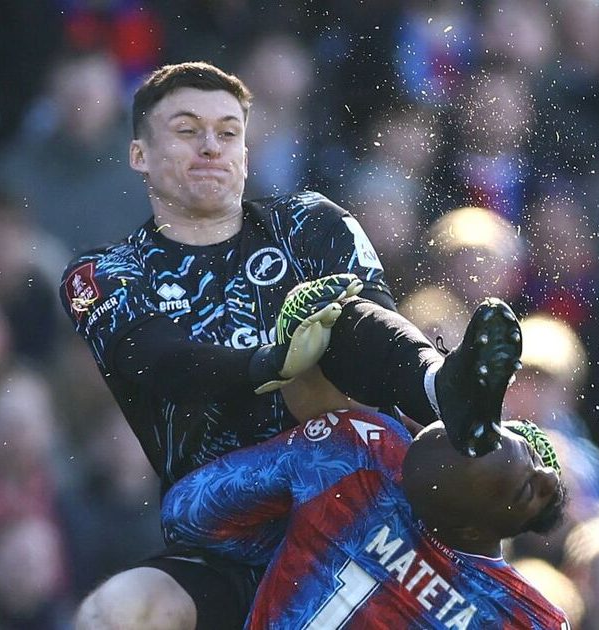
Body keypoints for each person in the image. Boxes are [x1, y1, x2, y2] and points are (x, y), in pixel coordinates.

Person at [62, 61, 525, 628]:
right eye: (187, 130)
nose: (211, 146)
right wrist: (270, 363)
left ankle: (443, 384)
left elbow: (367, 330)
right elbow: (158, 362)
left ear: (247, 152)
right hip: (225, 536)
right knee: (112, 613)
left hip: (360, 521)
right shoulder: (105, 270)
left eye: (228, 132)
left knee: (337, 323)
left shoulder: (309, 221)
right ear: (139, 155)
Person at [161, 409, 571, 629]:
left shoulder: (356, 452)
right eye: (528, 482)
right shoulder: (526, 620)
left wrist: (301, 548)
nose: (550, 474)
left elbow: (186, 514)